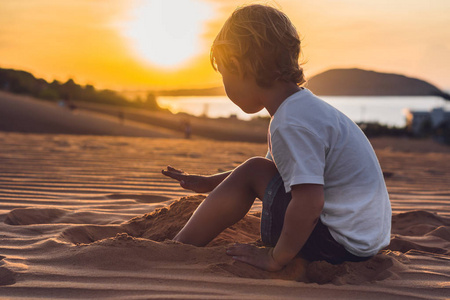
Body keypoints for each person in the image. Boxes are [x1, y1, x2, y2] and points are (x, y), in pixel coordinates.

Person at [162, 4, 391, 271]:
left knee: (253, 168)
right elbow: (277, 172)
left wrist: (276, 258)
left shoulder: (290, 123)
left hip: (335, 245)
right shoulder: (302, 109)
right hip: (360, 244)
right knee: (256, 168)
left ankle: (177, 248)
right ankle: (180, 244)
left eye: (224, 73)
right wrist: (209, 182)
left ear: (238, 66)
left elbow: (309, 201)